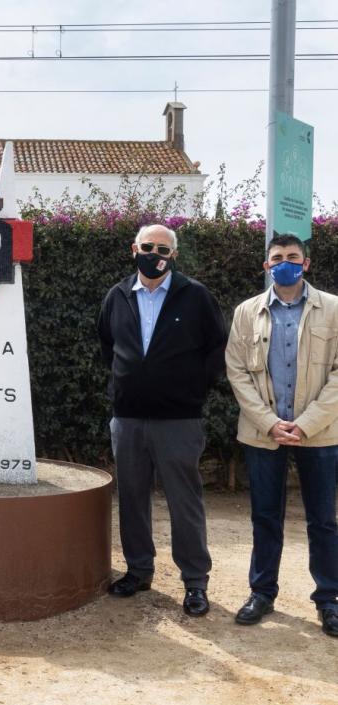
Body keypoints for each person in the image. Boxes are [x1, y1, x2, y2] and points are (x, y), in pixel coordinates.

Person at [97, 224, 227, 616]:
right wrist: (129, 383)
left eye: (164, 249)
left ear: (174, 255)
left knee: (184, 501)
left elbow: (216, 349)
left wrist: (189, 391)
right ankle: (138, 571)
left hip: (179, 420)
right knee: (133, 497)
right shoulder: (117, 296)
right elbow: (108, 344)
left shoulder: (196, 296)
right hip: (129, 418)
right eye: (149, 246)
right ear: (134, 248)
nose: (155, 254)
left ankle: (195, 582)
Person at [226, 234, 338, 637]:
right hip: (263, 433)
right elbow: (237, 372)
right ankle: (262, 592)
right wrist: (270, 422)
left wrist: (305, 423)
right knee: (264, 516)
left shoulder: (334, 310)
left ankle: (329, 599)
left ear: (306, 264)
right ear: (266, 266)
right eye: (278, 258)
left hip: (320, 433)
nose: (285, 263)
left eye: (293, 257)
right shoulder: (246, 312)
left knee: (323, 519)